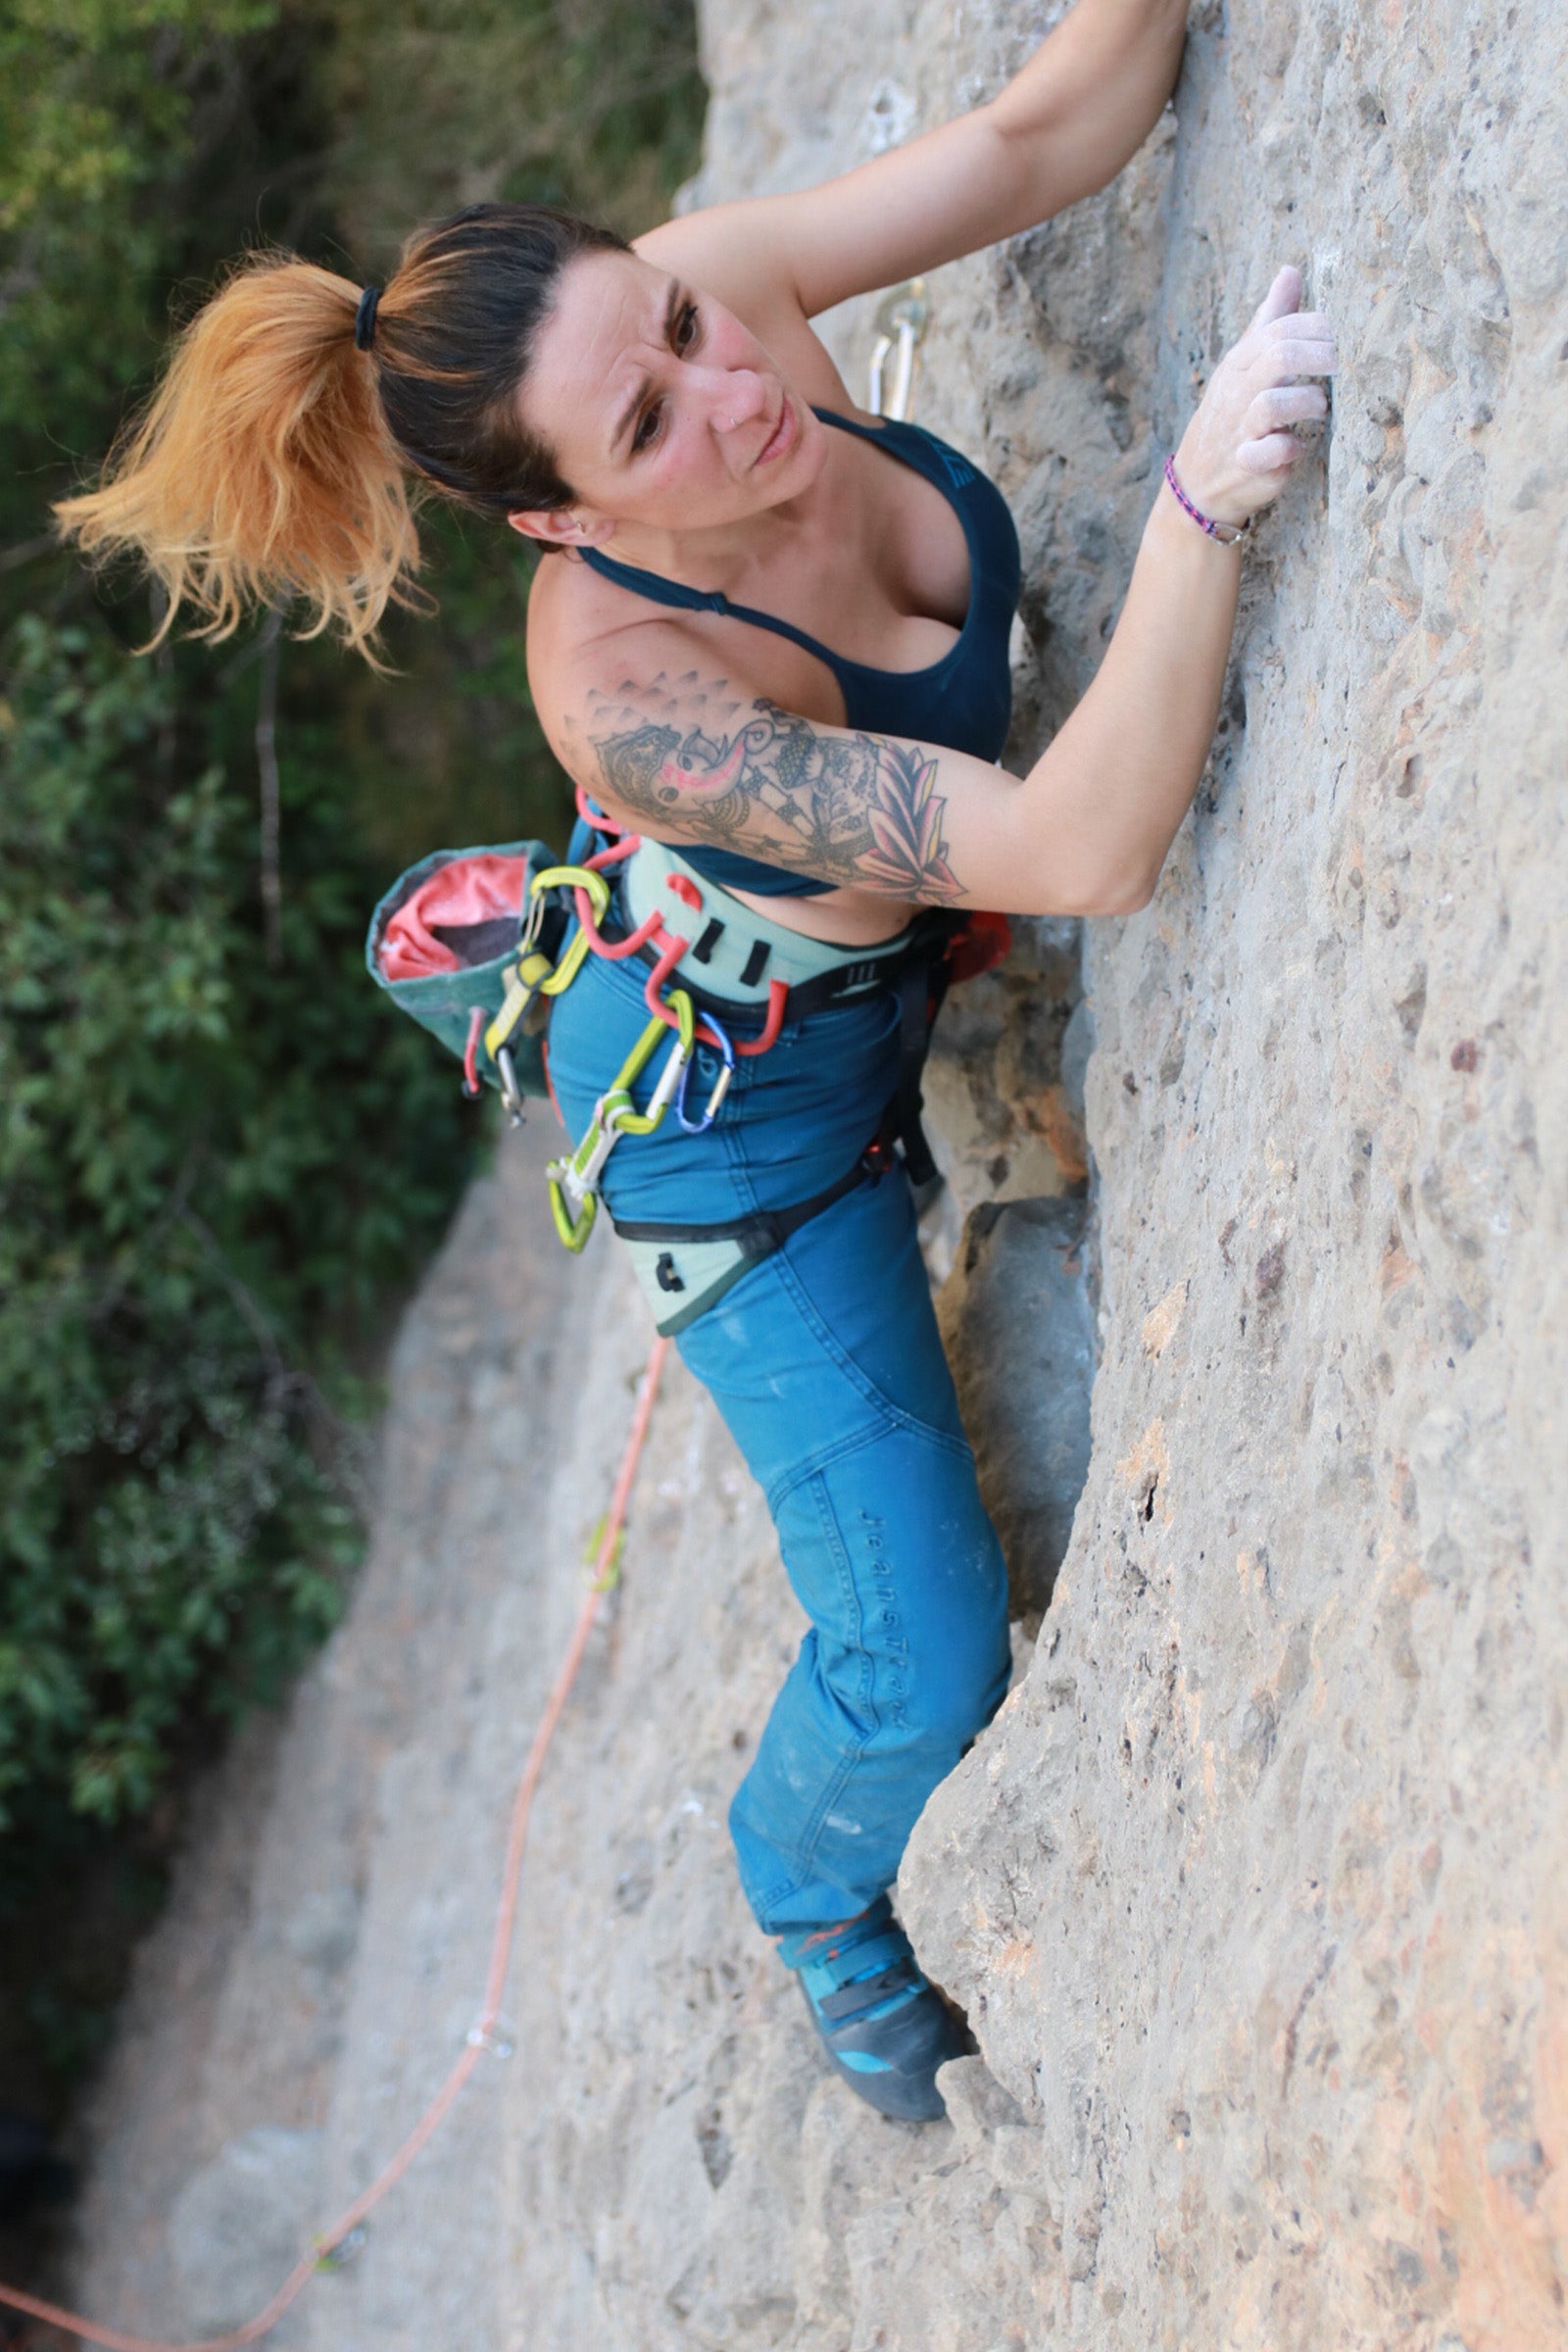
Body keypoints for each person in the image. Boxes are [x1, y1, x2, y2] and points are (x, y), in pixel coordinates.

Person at [56, 0, 1336, 2123]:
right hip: (738, 1157)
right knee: (922, 1656)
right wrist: (1197, 510)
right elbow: (1085, 840)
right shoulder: (631, 704)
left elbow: (1039, 133)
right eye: (644, 421)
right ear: (556, 528)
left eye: (674, 320)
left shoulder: (713, 302)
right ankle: (810, 1894)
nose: (731, 386)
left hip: (866, 955)